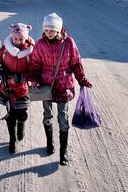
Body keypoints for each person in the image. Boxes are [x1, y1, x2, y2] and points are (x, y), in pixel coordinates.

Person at [30, 12, 92, 166]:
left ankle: (63, 151)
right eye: (46, 30)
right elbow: (35, 65)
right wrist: (35, 79)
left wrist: (82, 80)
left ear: (58, 30)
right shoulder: (40, 44)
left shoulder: (69, 43)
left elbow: (76, 63)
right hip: (46, 86)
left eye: (52, 30)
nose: (49, 33)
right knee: (47, 115)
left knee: (63, 118)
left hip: (64, 86)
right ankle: (50, 143)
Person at [0, 23, 35, 153]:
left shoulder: (30, 52)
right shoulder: (4, 50)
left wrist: (25, 77)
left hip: (22, 88)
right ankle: (12, 139)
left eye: (21, 39)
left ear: (26, 38)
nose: (18, 41)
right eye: (16, 39)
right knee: (10, 115)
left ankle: (21, 125)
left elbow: (34, 69)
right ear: (12, 38)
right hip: (8, 87)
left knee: (22, 113)